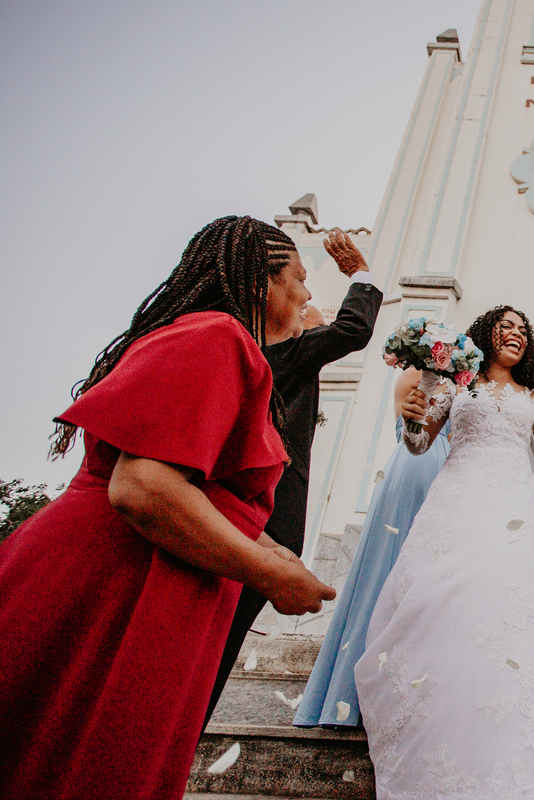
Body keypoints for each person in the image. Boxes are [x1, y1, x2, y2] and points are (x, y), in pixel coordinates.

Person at [0, 216, 336, 800]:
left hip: (152, 571)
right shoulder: (217, 335)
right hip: (117, 574)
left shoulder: (218, 341)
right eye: (299, 279)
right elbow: (145, 487)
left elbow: (197, 487)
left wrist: (267, 545)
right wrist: (270, 572)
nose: (307, 295)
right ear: (262, 283)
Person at [355, 305, 534, 800]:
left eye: (522, 330)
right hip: (458, 502)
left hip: (515, 508)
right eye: (505, 326)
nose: (515, 335)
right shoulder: (454, 382)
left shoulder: (532, 393)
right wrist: (409, 421)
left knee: (517, 613)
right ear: (484, 334)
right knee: (446, 600)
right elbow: (421, 443)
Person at [206, 228, 382, 724]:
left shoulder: (259, 355)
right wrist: (361, 275)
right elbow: (352, 329)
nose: (309, 300)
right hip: (258, 522)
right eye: (302, 286)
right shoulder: (280, 352)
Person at [293, 366, 451, 728]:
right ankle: (357, 696)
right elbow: (412, 431)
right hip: (416, 468)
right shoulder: (416, 380)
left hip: (448, 475)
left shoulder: (460, 386)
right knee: (387, 573)